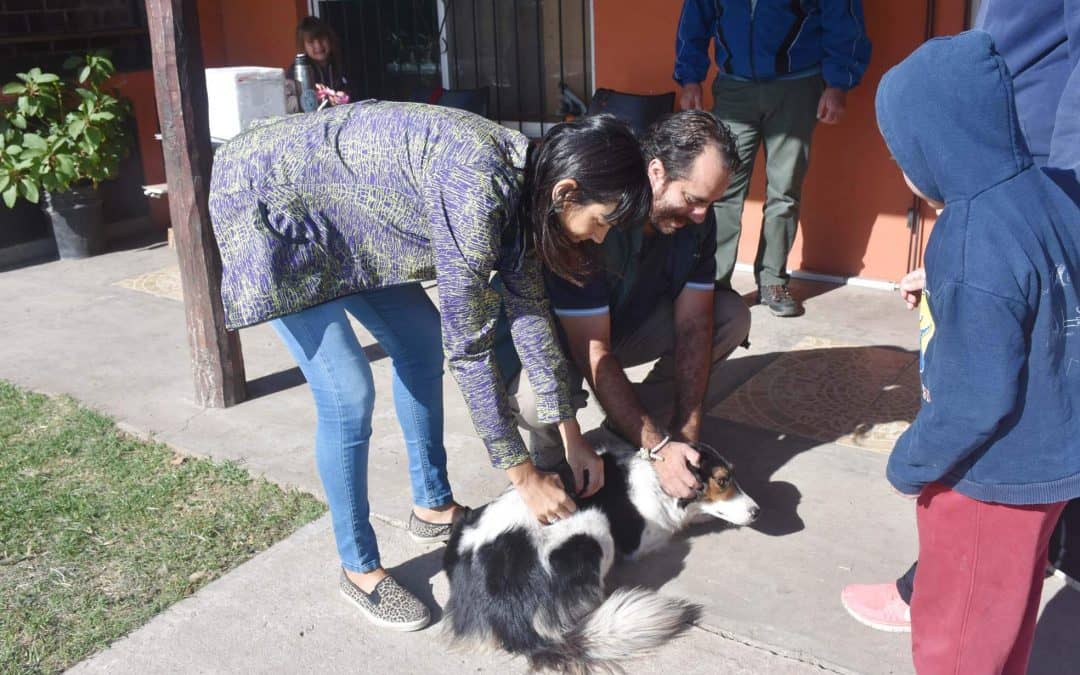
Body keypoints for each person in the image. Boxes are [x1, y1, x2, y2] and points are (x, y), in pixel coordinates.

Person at [207, 102, 652, 631]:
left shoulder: (529, 189)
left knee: (419, 342)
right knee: (348, 391)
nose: (599, 238)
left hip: (343, 213)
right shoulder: (476, 189)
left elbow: (529, 312)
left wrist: (570, 433)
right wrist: (523, 475)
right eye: (601, 222)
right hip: (271, 201)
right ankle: (358, 567)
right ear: (567, 193)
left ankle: (432, 507)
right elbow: (470, 346)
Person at [842, 0, 1080, 634]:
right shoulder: (1028, 217)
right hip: (1045, 471)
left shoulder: (975, 240)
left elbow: (976, 399)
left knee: (959, 636)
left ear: (932, 151)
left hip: (985, 480)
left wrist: (910, 461)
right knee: (1007, 620)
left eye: (901, 156)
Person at [505, 110, 751, 499]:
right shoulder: (597, 211)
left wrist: (684, 435)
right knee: (536, 402)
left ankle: (632, 430)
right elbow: (592, 351)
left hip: (627, 327)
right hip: (568, 341)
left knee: (730, 317)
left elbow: (694, 326)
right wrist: (658, 449)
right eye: (693, 199)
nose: (702, 215)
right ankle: (553, 454)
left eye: (711, 203)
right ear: (656, 172)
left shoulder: (698, 220)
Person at [673, 0, 870, 317]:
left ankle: (773, 281)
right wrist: (690, 78)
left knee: (785, 190)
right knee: (720, 190)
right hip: (734, 89)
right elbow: (694, 20)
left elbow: (843, 22)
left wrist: (838, 84)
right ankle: (714, 283)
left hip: (797, 87)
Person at [288, 16, 351, 107]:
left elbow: (354, 91)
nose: (318, 45)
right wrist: (315, 98)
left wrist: (344, 96)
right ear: (303, 47)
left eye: (321, 38)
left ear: (329, 39)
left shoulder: (342, 62)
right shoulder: (297, 71)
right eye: (311, 42)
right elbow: (289, 102)